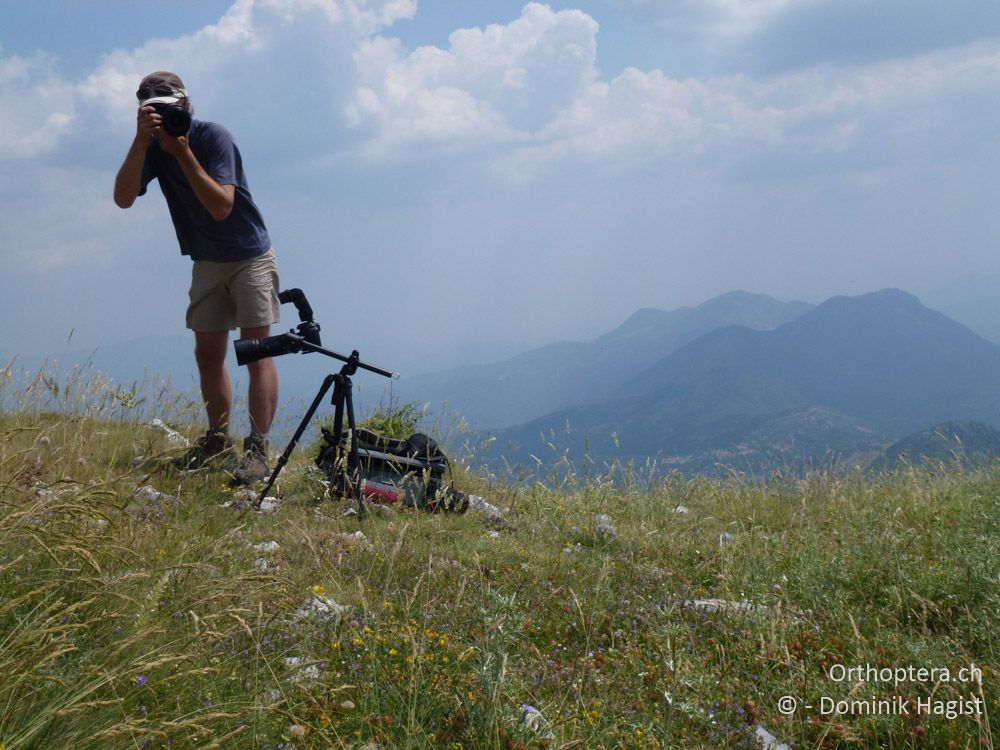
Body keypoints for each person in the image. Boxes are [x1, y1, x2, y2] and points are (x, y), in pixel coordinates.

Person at [114, 71, 279, 483]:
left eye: (170, 110)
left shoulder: (213, 137)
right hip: (206, 260)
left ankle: (257, 448)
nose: (165, 119)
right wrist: (141, 142)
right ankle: (217, 440)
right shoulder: (150, 147)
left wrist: (182, 151)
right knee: (208, 355)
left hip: (249, 255)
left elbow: (222, 206)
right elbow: (122, 199)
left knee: (255, 353)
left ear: (187, 105)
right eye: (154, 113)